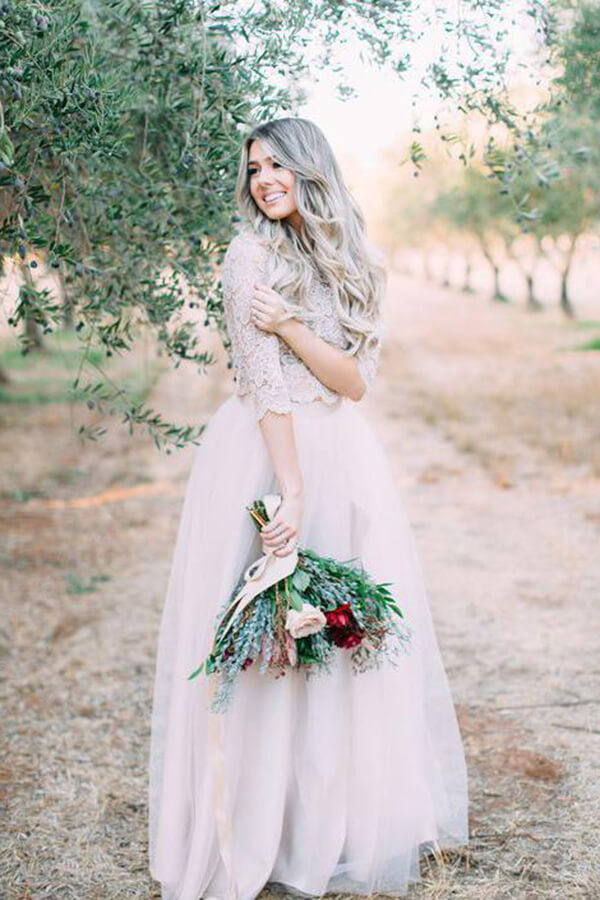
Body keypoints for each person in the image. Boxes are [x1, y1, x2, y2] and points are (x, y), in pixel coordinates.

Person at [148, 117, 468, 900]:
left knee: (336, 646)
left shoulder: (349, 257)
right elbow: (262, 384)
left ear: (308, 167)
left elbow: (355, 383)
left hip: (343, 454)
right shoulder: (248, 253)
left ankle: (327, 827)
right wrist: (288, 491)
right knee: (268, 648)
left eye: (275, 163)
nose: (262, 179)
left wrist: (287, 321)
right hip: (267, 455)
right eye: (253, 168)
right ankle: (260, 827)